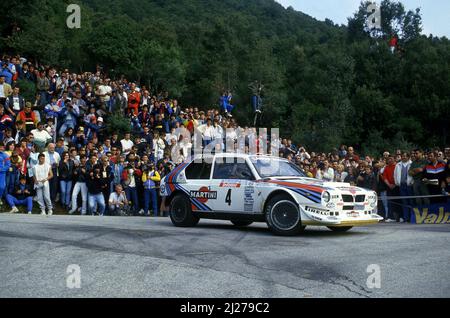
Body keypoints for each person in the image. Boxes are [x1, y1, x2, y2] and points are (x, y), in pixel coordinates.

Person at [394, 153, 413, 223]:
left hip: (409, 185)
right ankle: (406, 218)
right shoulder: (398, 165)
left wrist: (411, 182)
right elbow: (395, 175)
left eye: (405, 156)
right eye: (403, 156)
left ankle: (411, 218)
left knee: (411, 201)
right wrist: (397, 183)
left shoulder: (411, 164)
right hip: (401, 185)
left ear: (408, 157)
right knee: (404, 202)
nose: (404, 157)